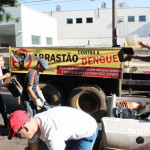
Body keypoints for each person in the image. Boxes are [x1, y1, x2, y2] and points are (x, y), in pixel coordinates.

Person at [8, 106, 98, 150]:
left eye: (18, 135)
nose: (20, 138)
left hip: (87, 131)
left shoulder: (52, 135)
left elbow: (54, 140)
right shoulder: (35, 123)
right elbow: (32, 148)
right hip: (68, 128)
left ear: (25, 128)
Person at [0, 55, 11, 127]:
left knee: (3, 107)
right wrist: (5, 76)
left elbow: (1, 83)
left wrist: (6, 84)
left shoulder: (0, 69)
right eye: (2, 60)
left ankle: (6, 124)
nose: (3, 61)